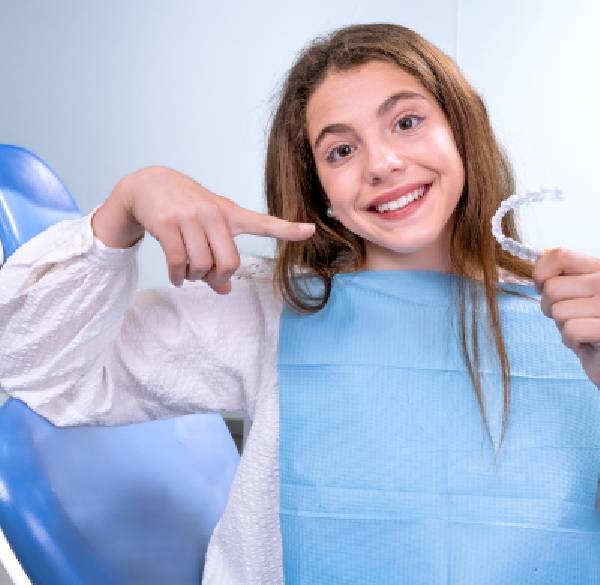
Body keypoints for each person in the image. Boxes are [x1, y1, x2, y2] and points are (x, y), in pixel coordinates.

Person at [2, 23, 600, 585]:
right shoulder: (269, 309)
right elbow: (34, 370)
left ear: (462, 131)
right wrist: (126, 207)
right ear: (320, 192)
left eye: (407, 122)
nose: (383, 164)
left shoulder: (575, 311)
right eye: (341, 151)